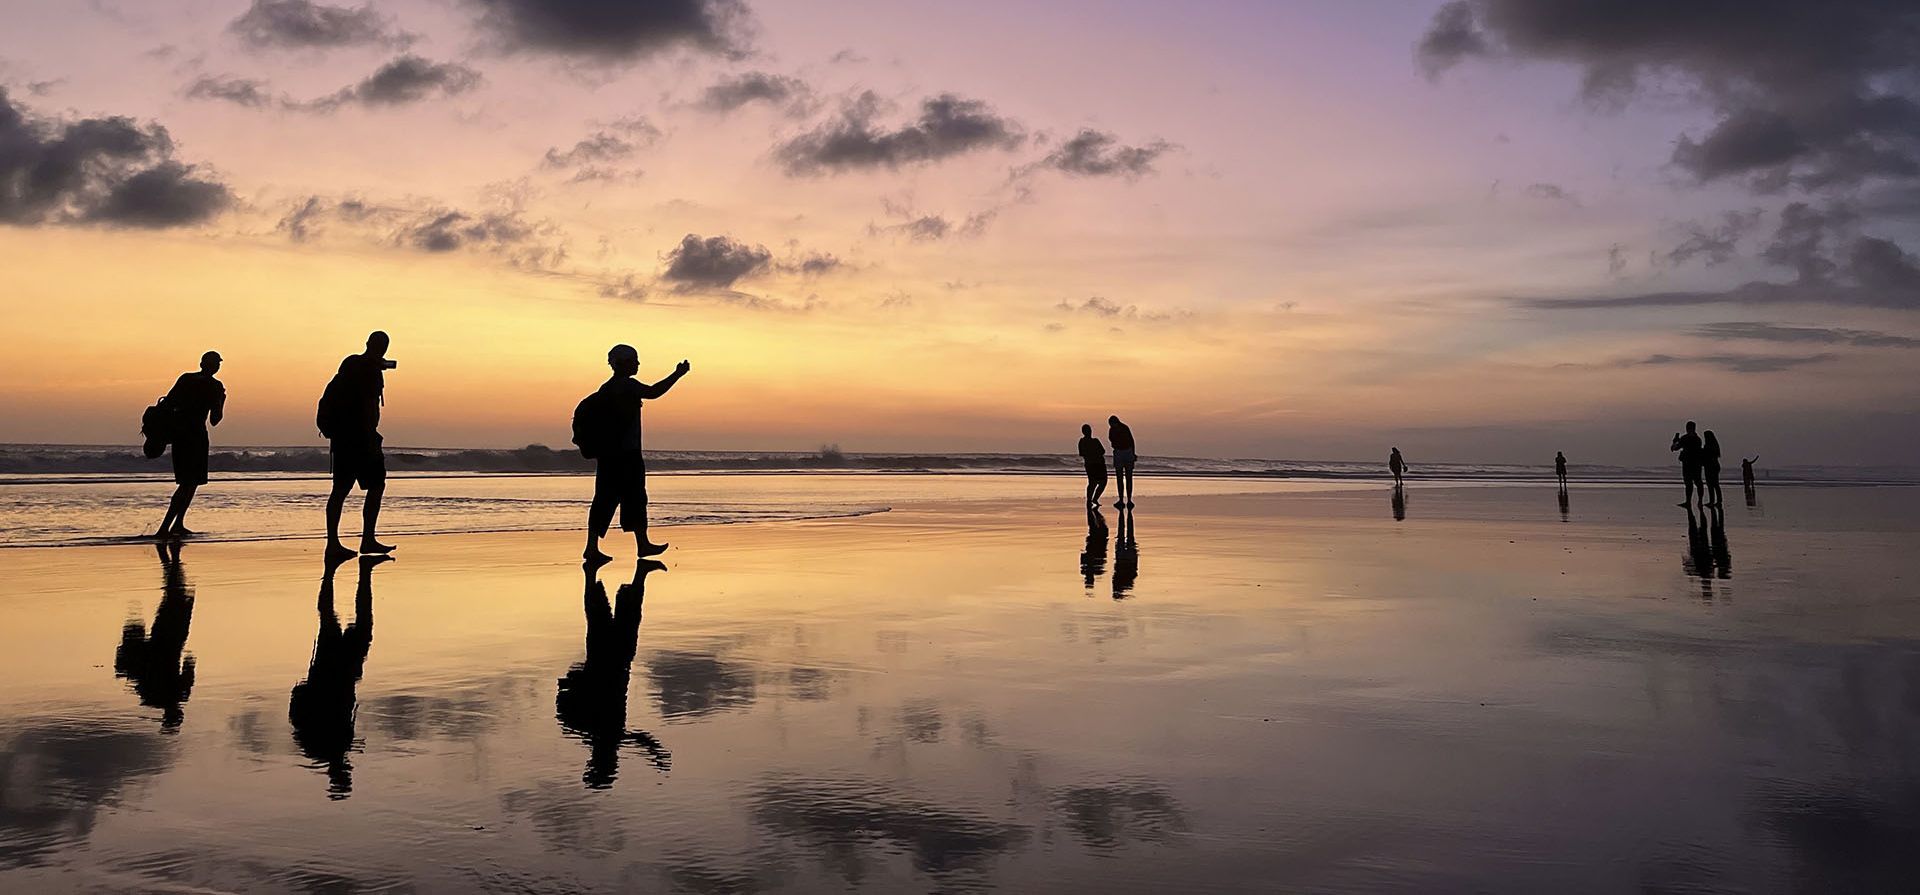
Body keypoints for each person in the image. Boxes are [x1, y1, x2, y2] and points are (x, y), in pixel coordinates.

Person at [583, 345, 691, 564]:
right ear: (622, 363)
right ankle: (640, 544)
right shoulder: (626, 386)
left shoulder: (606, 388)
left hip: (609, 456)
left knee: (604, 500)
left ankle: (594, 547)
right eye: (634, 360)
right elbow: (653, 392)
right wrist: (677, 375)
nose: (638, 364)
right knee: (635, 498)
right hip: (626, 455)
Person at [320, 332, 396, 561]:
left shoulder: (351, 366)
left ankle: (335, 543)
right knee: (374, 485)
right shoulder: (367, 370)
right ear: (381, 348)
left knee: (341, 490)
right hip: (361, 439)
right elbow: (368, 405)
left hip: (344, 439)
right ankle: (365, 538)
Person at [153, 351, 225, 538]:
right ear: (214, 366)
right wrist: (221, 401)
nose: (217, 366)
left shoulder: (185, 379)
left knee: (189, 483)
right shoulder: (215, 387)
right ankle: (165, 528)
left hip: (180, 435)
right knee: (189, 484)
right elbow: (215, 420)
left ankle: (177, 524)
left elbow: (167, 403)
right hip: (196, 436)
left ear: (201, 364)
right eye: (217, 363)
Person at [1669, 421, 1703, 507]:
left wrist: (1675, 442)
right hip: (1697, 463)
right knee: (1698, 482)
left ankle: (1688, 502)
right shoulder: (1698, 439)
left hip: (1687, 463)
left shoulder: (1685, 438)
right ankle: (1700, 501)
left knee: (1688, 483)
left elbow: (1674, 448)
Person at [1107, 416, 1137, 508]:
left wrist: (1133, 453)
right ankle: (1123, 500)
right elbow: (1112, 441)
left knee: (1126, 477)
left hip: (1124, 452)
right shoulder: (1116, 429)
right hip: (1123, 452)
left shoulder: (1122, 428)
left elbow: (1131, 441)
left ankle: (1128, 500)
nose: (1111, 426)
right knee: (1121, 477)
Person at [1077, 424, 1108, 507]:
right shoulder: (1087, 441)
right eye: (1088, 430)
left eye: (1089, 430)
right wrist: (1094, 453)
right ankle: (1091, 500)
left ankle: (1092, 499)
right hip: (1093, 464)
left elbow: (1102, 451)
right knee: (1095, 483)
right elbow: (1082, 453)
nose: (1089, 432)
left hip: (1096, 464)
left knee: (1098, 483)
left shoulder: (1093, 441)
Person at [1702, 430, 1725, 507]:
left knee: (1712, 484)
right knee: (1714, 484)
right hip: (1713, 466)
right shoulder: (1714, 446)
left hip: (1710, 466)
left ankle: (1714, 501)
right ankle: (1716, 500)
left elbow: (1706, 455)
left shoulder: (1709, 446)